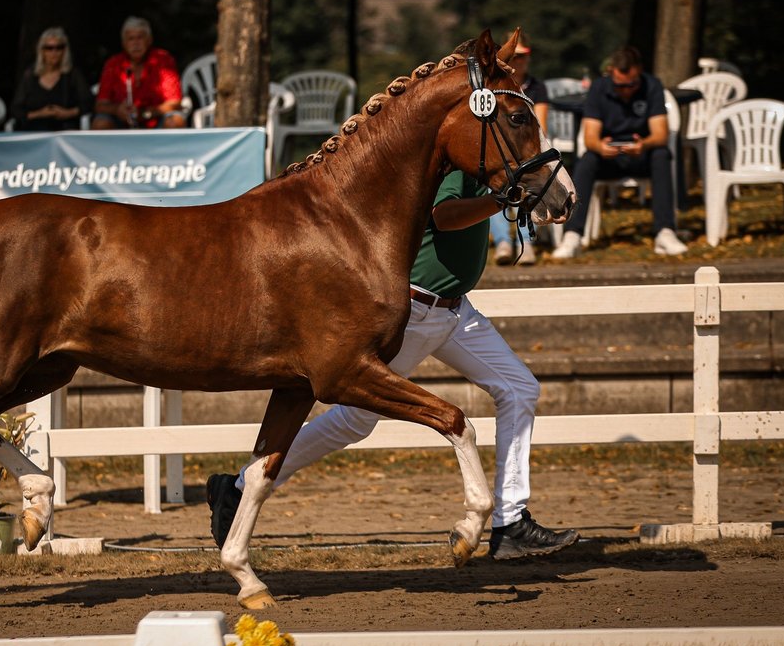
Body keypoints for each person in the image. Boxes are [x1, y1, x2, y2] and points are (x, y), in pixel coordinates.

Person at [206, 168, 580, 562]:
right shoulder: (459, 167)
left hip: (456, 312)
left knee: (520, 387)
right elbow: (444, 214)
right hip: (417, 310)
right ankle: (239, 487)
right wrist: (500, 200)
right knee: (355, 419)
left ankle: (511, 522)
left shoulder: (490, 167)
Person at [551, 45, 687, 258]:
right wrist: (601, 147)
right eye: (619, 85)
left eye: (631, 85)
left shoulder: (652, 86)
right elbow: (589, 137)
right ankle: (573, 236)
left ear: (639, 72)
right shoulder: (599, 88)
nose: (625, 90)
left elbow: (660, 133)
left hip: (641, 154)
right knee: (587, 160)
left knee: (661, 155)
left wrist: (644, 144)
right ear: (611, 73)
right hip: (609, 158)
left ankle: (665, 231)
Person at [489, 34, 548, 266]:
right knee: (492, 185)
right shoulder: (497, 88)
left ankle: (527, 242)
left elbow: (540, 124)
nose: (519, 61)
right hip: (504, 150)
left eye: (523, 57)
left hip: (527, 147)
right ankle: (503, 241)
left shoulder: (536, 87)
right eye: (515, 57)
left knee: (531, 183)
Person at [91, 16, 185, 130]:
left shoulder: (163, 60)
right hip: (121, 124)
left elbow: (175, 102)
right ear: (124, 43)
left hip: (155, 122)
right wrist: (117, 110)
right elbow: (100, 105)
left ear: (149, 40)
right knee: (101, 123)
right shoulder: (113, 64)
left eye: (140, 38)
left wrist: (145, 113)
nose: (136, 43)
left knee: (175, 121)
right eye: (131, 39)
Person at [10, 27, 94, 132]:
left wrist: (69, 113)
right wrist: (40, 114)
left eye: (59, 48)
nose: (54, 52)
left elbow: (89, 102)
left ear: (65, 51)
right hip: (33, 130)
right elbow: (16, 109)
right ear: (42, 51)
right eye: (49, 48)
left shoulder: (73, 75)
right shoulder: (30, 75)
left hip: (64, 129)